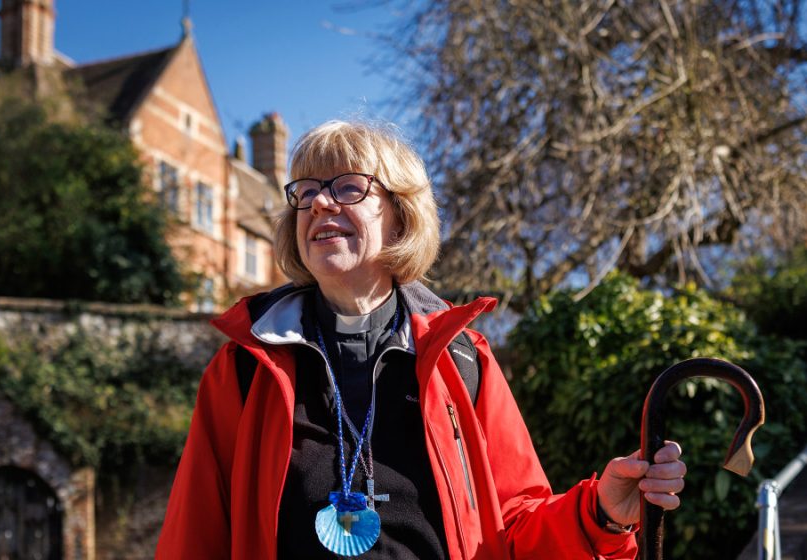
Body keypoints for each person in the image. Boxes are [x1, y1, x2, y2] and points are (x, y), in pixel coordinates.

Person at [155, 120, 686, 559]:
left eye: (347, 187)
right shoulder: (243, 368)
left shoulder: (464, 360)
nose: (319, 203)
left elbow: (513, 528)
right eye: (307, 191)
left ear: (400, 216)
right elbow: (193, 538)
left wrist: (601, 513)